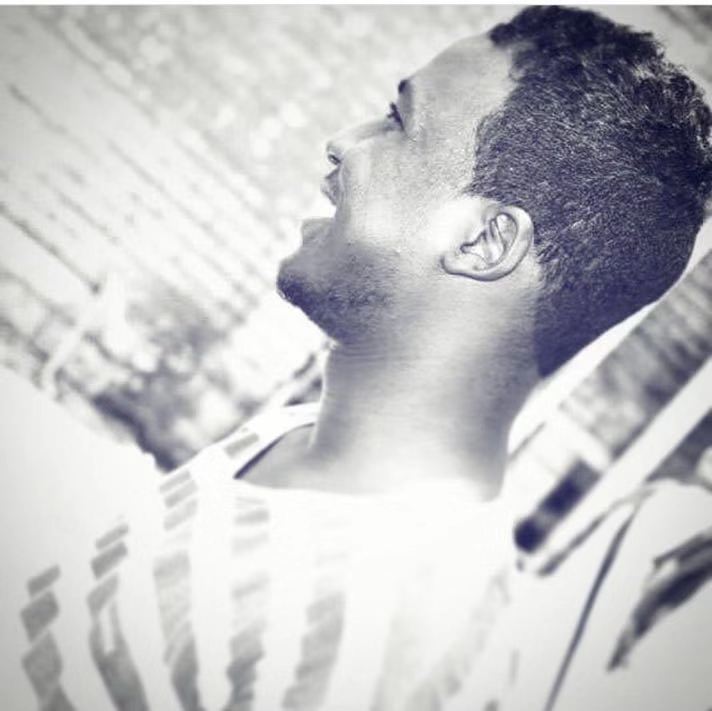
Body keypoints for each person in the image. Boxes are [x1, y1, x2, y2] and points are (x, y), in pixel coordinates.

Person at [2, 6, 711, 711]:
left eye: (398, 124)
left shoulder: (374, 642)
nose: (343, 142)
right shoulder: (299, 439)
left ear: (484, 241)